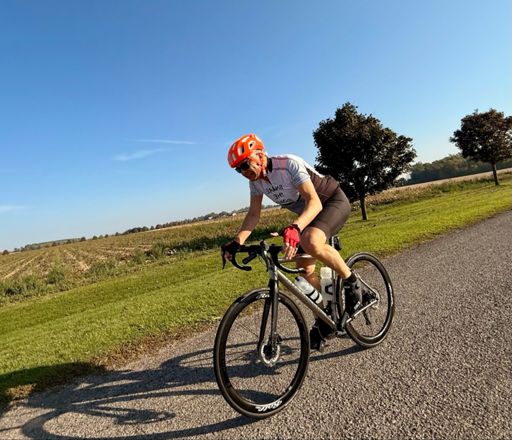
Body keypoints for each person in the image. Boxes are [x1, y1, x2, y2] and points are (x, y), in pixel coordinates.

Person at [221, 133, 364, 351]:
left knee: (311, 240)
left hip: (331, 202)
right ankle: (326, 315)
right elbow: (253, 214)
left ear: (260, 155)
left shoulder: (288, 164)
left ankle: (352, 283)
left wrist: (295, 228)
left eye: (245, 164)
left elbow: (314, 202)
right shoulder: (256, 183)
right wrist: (236, 242)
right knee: (303, 273)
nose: (243, 172)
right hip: (309, 215)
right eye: (238, 169)